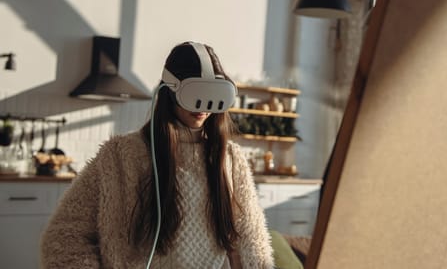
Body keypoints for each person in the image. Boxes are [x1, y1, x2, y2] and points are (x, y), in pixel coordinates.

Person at [40, 41, 275, 268]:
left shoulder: (230, 159)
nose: (203, 108)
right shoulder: (120, 157)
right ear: (169, 91)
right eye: (194, 95)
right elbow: (64, 237)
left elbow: (252, 241)